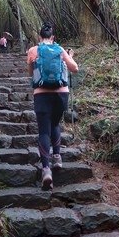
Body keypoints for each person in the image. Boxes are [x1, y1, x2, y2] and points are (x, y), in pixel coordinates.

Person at [27, 22, 78, 190]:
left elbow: (31, 73)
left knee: (43, 131)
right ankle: (57, 157)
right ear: (53, 37)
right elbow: (75, 69)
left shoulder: (33, 50)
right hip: (61, 94)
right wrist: (70, 56)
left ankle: (46, 171)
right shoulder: (59, 49)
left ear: (39, 37)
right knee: (55, 124)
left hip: (41, 94)